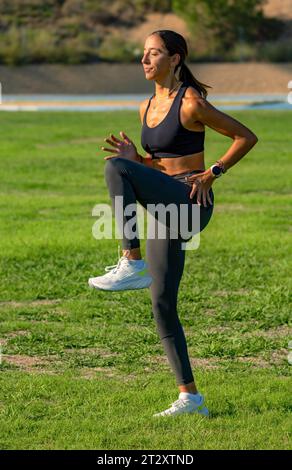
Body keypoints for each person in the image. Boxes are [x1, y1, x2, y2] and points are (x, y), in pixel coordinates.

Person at [88, 30, 258, 417]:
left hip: (191, 200)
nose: (145, 60)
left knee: (116, 168)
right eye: (143, 54)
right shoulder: (147, 105)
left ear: (175, 59)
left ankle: (130, 261)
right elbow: (161, 165)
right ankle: (191, 398)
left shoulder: (192, 102)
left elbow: (245, 136)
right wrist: (139, 159)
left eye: (154, 53)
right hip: (168, 199)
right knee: (161, 302)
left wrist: (213, 172)